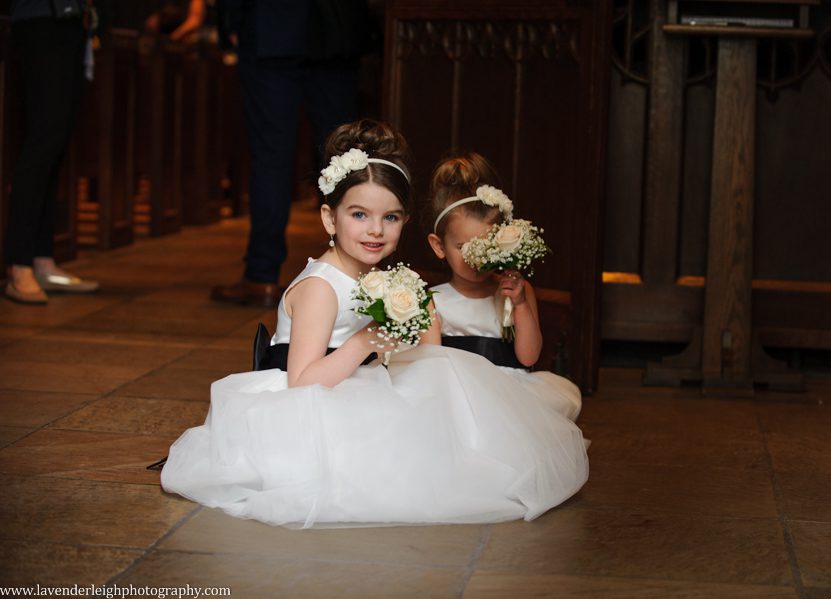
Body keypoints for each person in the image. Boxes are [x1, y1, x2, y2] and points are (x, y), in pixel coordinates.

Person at [161, 120, 588, 527]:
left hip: (349, 386)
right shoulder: (322, 288)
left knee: (438, 405)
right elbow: (303, 382)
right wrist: (369, 340)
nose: (376, 231)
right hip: (304, 406)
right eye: (359, 215)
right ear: (330, 219)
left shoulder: (368, 277)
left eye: (391, 217)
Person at [210, 0, 373, 307]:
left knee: (272, 155)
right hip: (335, 25)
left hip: (274, 23)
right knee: (345, 156)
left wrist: (233, 18)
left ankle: (262, 274)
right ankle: (358, 273)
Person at [425, 153, 582, 421]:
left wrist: (519, 304)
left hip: (511, 396)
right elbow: (429, 368)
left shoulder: (517, 292)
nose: (476, 258)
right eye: (463, 247)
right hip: (458, 398)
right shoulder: (434, 301)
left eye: (486, 246)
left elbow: (529, 356)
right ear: (439, 246)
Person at [4, 0, 99, 305]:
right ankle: (19, 264)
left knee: (57, 143)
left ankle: (42, 258)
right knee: (43, 140)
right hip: (41, 17)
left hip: (73, 20)